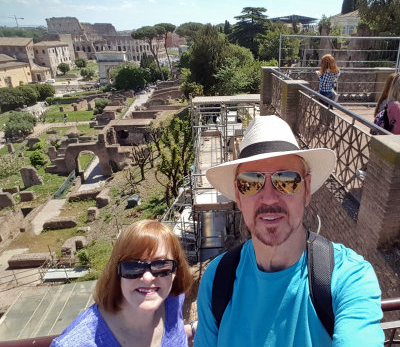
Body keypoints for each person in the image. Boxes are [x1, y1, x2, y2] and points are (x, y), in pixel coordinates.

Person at [195, 115, 384, 346]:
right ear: (238, 196)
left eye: (286, 179)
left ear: (306, 192)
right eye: (250, 182)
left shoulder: (347, 278)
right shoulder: (216, 280)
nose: (268, 197)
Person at [51, 219, 193, 347]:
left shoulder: (173, 301)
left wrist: (194, 329)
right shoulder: (75, 343)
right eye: (132, 267)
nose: (148, 277)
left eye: (161, 265)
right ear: (117, 272)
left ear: (175, 271)